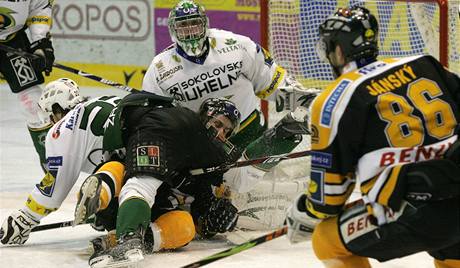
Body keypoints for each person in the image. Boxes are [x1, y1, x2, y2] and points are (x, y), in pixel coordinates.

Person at [286, 6, 460, 268]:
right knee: (450, 251)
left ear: (339, 50)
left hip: (416, 211)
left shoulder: (335, 98)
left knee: (325, 240)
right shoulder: (425, 64)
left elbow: (328, 199)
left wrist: (306, 211)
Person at [142, 0, 319, 193]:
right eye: (183, 26)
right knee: (217, 194)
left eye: (194, 23)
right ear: (172, 30)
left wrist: (309, 102)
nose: (190, 31)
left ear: (205, 24)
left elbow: (272, 82)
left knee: (255, 191)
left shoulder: (236, 46)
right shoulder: (159, 69)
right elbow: (156, 122)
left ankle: (283, 134)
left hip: (249, 131)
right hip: (202, 143)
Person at [71, 94, 241, 268]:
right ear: (204, 118)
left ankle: (122, 239)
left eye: (227, 131)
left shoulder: (208, 169)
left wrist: (217, 219)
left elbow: (202, 218)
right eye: (218, 124)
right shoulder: (178, 131)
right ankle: (100, 201)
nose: (221, 133)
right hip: (124, 198)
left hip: (146, 215)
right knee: (122, 172)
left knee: (185, 227)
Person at [0, 78, 120, 245]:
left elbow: (56, 184)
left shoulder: (65, 127)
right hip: (157, 137)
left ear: (56, 109)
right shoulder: (100, 101)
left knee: (110, 211)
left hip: (136, 150)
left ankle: (130, 231)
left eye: (50, 114)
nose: (51, 121)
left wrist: (26, 217)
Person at [0, 0, 56, 171]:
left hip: (12, 41)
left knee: (33, 102)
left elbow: (39, 8)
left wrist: (41, 44)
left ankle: (51, 161)